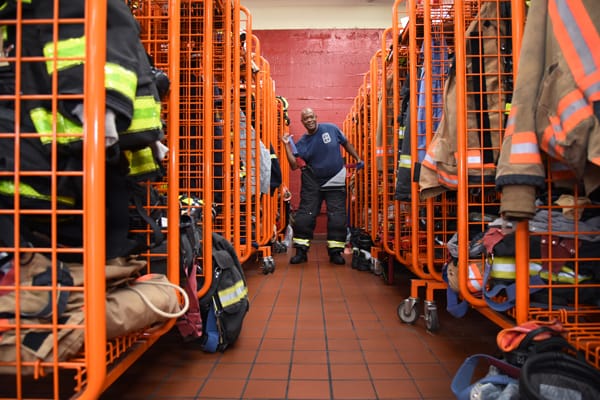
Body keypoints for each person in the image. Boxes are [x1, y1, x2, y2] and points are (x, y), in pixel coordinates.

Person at [281, 107, 362, 265]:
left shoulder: (331, 129)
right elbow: (293, 165)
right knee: (305, 216)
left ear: (316, 116)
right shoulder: (303, 143)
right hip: (313, 183)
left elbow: (346, 144)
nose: (309, 120)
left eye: (311, 117)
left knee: (337, 217)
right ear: (303, 122)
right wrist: (286, 145)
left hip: (335, 180)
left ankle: (335, 252)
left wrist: (357, 158)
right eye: (306, 119)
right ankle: (301, 252)